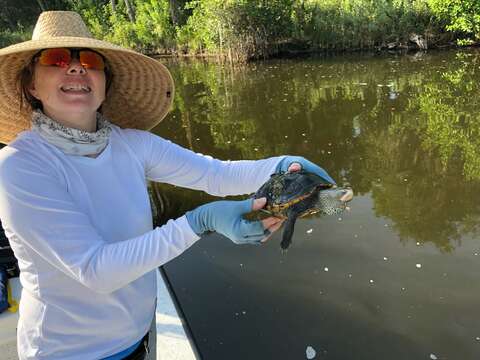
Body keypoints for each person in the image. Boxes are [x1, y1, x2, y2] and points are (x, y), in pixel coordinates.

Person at [0, 11, 337, 360]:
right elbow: (94, 270)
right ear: (31, 85)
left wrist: (279, 165)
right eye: (55, 59)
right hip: (67, 352)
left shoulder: (132, 144)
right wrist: (199, 222)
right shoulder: (20, 166)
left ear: (104, 81)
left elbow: (214, 174)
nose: (75, 68)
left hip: (141, 335)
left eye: (89, 60)